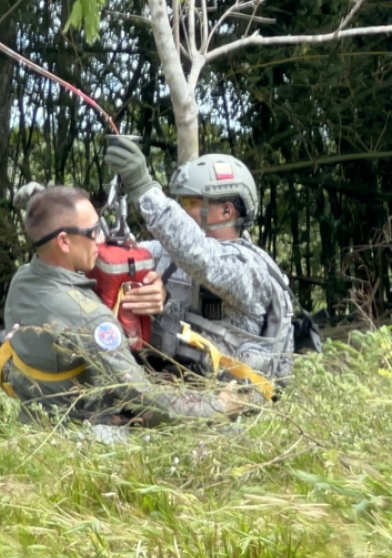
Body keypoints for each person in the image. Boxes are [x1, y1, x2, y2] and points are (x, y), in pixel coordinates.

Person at [0, 185, 245, 425]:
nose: (102, 240)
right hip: (81, 426)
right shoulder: (92, 322)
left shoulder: (26, 277)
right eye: (94, 233)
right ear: (64, 243)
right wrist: (219, 405)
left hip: (30, 389)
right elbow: (145, 398)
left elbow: (56, 217)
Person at [103, 137, 297, 384]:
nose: (181, 209)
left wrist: (142, 186)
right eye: (182, 201)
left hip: (233, 404)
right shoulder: (167, 253)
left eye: (192, 202)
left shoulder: (249, 268)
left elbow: (202, 257)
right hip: (171, 389)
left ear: (227, 211)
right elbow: (115, 257)